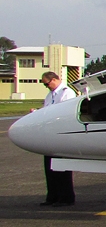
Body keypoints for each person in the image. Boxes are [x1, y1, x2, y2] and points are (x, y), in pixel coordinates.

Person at [39, 71, 76, 206]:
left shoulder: (67, 93)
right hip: (49, 135)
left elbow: (65, 113)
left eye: (47, 84)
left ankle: (66, 197)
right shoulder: (50, 95)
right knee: (49, 168)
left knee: (61, 168)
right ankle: (52, 196)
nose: (46, 87)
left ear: (54, 80)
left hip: (60, 135)